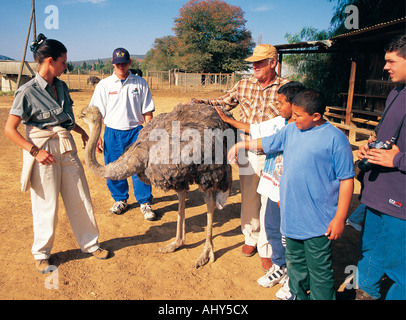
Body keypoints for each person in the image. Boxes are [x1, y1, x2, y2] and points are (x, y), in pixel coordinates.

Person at [228, 88, 355, 300]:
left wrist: (340, 218)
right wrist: (242, 144)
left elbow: (347, 180)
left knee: (319, 270)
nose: (292, 118)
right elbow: (267, 143)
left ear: (316, 116)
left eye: (298, 115)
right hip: (291, 216)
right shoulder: (290, 130)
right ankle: (297, 294)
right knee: (295, 264)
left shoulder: (336, 139)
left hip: (318, 221)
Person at [4, 34, 109, 274]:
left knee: (80, 196)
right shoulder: (27, 91)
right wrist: (35, 151)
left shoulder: (61, 86)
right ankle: (42, 253)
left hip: (66, 144)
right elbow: (9, 129)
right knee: (45, 203)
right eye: (63, 62)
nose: (65, 66)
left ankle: (90, 244)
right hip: (42, 149)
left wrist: (83, 133)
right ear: (50, 61)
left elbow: (66, 121)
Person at [196, 44, 289, 271]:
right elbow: (223, 101)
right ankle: (251, 237)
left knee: (269, 200)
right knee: (248, 195)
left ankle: (267, 247)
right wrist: (203, 102)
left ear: (273, 63)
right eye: (253, 63)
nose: (254, 66)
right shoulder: (244, 84)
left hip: (275, 153)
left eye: (259, 62)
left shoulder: (287, 88)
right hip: (247, 149)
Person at [216, 82, 305, 299]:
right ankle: (275, 261)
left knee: (287, 231)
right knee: (266, 217)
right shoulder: (278, 122)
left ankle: (289, 273)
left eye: (281, 102)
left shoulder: (303, 130)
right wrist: (229, 122)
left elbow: (268, 142)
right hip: (272, 180)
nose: (277, 105)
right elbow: (257, 132)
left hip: (289, 188)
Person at [355, 35, 406, 300]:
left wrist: (397, 160)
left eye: (391, 61)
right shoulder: (396, 92)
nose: (385, 67)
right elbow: (387, 136)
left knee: (400, 270)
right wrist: (370, 145)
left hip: (401, 202)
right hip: (376, 193)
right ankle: (365, 294)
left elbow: (397, 154)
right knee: (370, 253)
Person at [89, 48, 156, 220]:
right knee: (113, 167)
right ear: (113, 63)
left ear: (129, 63)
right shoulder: (104, 85)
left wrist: (150, 136)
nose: (121, 66)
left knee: (140, 167)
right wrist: (96, 137)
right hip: (112, 132)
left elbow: (147, 112)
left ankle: (145, 202)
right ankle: (120, 200)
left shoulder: (140, 83)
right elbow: (96, 114)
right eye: (117, 63)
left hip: (136, 132)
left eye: (124, 63)